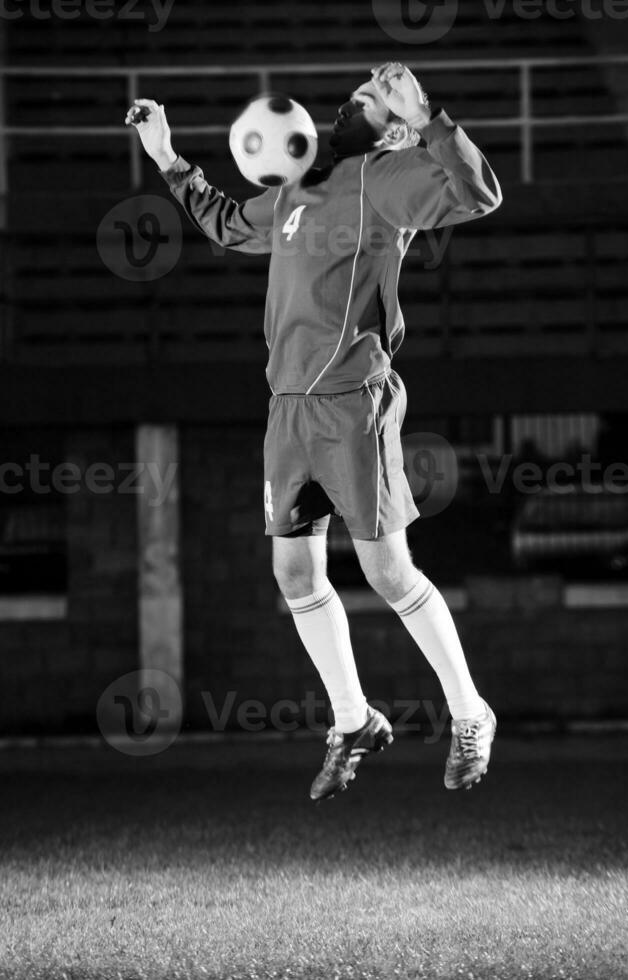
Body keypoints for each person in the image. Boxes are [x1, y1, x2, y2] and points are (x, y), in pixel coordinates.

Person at [126, 62, 502, 801]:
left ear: (392, 125)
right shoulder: (299, 186)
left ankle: (469, 712)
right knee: (294, 574)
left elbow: (478, 193)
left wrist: (423, 114)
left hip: (351, 403)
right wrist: (169, 158)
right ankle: (354, 719)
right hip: (288, 407)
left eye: (369, 100)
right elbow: (233, 226)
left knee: (389, 573)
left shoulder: (389, 175)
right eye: (357, 94)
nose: (350, 104)